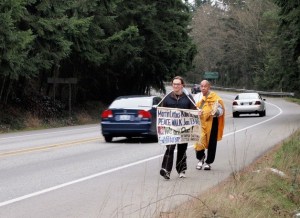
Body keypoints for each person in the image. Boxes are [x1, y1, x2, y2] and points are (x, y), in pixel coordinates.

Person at [160, 76, 196, 180]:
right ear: (172, 85)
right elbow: (161, 111)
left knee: (182, 149)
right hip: (170, 128)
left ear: (182, 85)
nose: (176, 86)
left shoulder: (188, 97)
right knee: (170, 148)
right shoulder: (167, 97)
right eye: (174, 84)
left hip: (184, 128)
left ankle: (181, 170)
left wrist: (197, 112)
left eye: (178, 84)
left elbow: (194, 109)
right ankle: (166, 170)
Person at [194, 80, 225, 170]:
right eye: (201, 86)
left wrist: (215, 112)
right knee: (199, 141)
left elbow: (221, 111)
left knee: (212, 143)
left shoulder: (215, 98)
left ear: (209, 87)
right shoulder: (197, 97)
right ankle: (200, 159)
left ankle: (208, 162)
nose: (203, 88)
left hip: (212, 123)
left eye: (205, 86)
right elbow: (194, 109)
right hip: (200, 123)